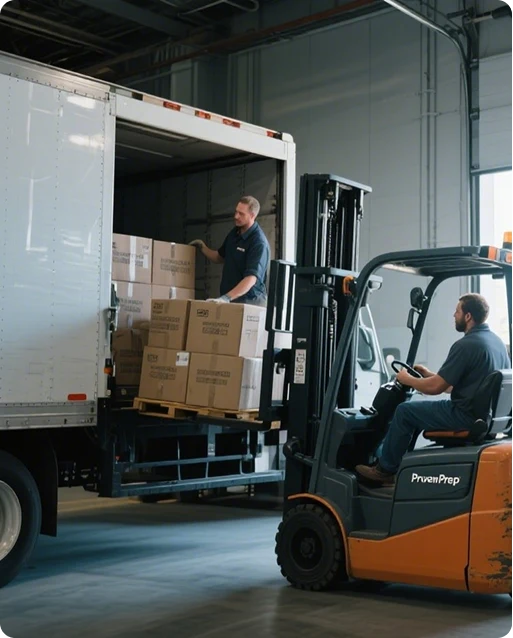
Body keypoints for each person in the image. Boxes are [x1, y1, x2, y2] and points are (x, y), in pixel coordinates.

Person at [356, 293, 510, 485]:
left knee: (405, 411)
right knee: (416, 413)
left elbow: (436, 388)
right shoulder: (496, 344)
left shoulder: (466, 345)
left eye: (457, 311)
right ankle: (401, 465)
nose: (454, 316)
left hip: (464, 415)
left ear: (468, 316)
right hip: (482, 416)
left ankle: (385, 470)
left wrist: (407, 379)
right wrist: (428, 374)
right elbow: (452, 384)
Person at [189, 196, 270, 307]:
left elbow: (251, 279)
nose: (236, 216)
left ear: (252, 215)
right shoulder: (235, 233)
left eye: (241, 214)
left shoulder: (258, 242)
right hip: (232, 300)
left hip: (250, 302)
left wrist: (226, 298)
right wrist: (202, 247)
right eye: (236, 212)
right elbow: (219, 257)